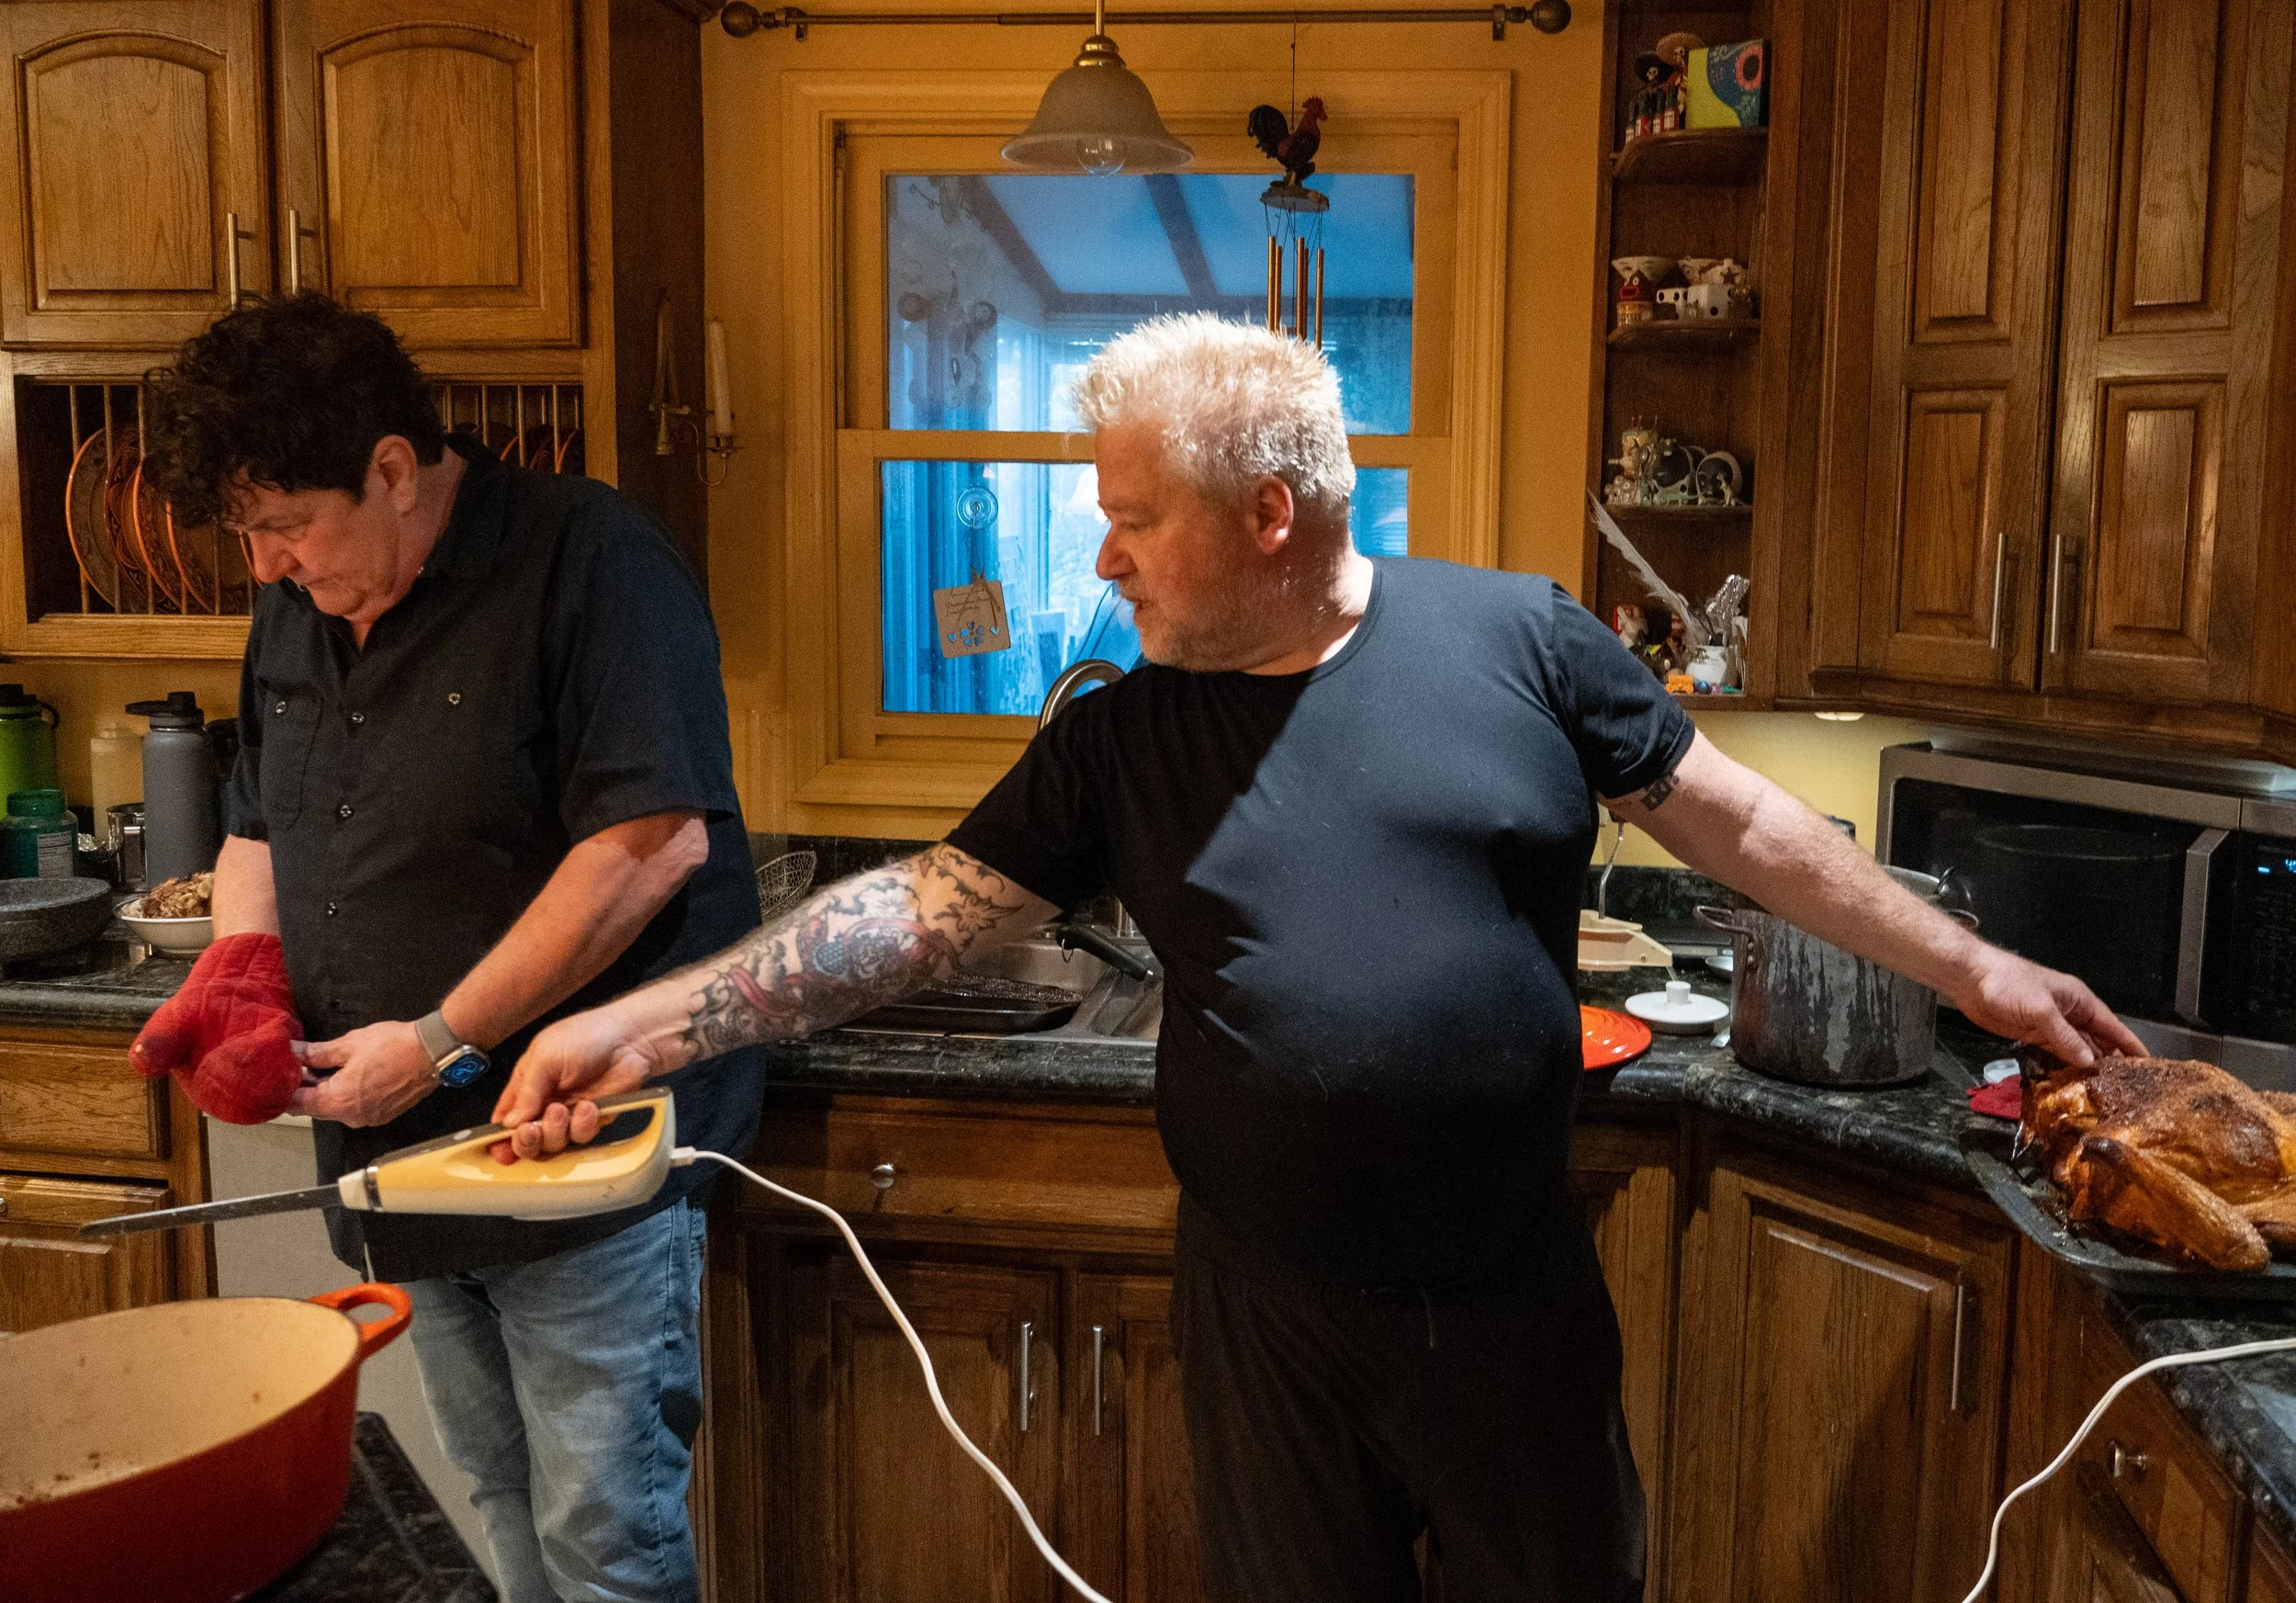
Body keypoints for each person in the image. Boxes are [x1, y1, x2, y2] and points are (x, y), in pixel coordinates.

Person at [487, 313, 2141, 1601]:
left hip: (1507, 1302)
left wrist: (1972, 974)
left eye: (1133, 520)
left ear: (1267, 513)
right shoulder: (1122, 735)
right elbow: (915, 913)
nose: (1104, 557)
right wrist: (644, 1031)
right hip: (1263, 1308)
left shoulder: (1522, 639)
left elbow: (1746, 831)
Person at [133, 293, 763, 1603]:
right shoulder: (302, 594)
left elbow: (650, 846)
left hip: (578, 1161)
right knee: (497, 1495)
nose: (265, 566)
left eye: (285, 525)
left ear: (393, 469)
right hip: (396, 1158)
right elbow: (261, 818)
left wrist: (436, 1045)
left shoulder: (592, 560)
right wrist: (241, 978)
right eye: (247, 533)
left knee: (607, 1538)